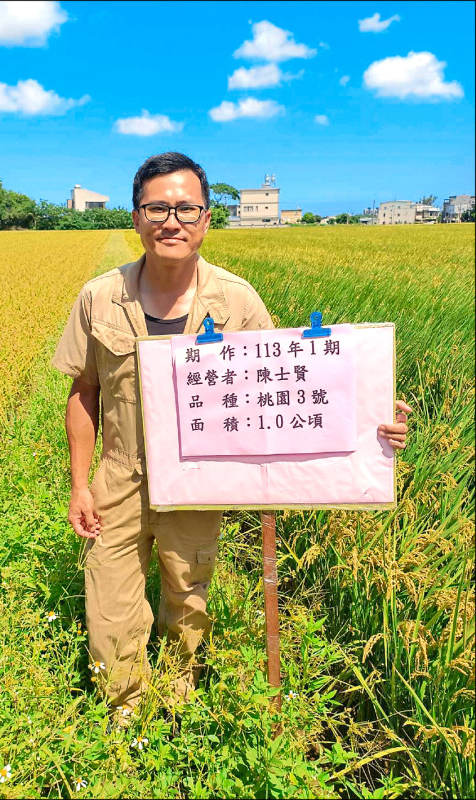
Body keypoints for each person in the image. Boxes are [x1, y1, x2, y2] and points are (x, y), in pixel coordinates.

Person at [52, 152, 411, 721]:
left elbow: (291, 383)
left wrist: (372, 417)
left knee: (187, 600)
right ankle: (122, 714)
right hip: (119, 476)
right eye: (157, 207)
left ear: (206, 218)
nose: (172, 220)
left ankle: (175, 703)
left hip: (199, 479)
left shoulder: (237, 300)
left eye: (187, 207)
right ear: (136, 216)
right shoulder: (99, 298)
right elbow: (84, 393)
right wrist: (79, 484)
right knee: (109, 605)